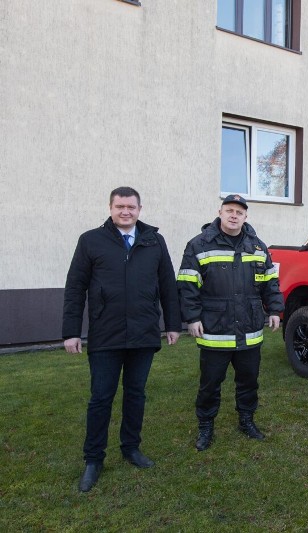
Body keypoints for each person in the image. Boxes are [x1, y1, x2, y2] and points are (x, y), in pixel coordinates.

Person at [62, 186, 181, 493]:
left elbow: (168, 284)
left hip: (142, 333)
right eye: (119, 206)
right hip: (106, 334)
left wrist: (172, 324)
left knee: (135, 394)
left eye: (131, 206)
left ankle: (131, 448)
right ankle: (93, 459)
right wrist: (71, 330)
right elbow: (75, 287)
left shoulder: (155, 240)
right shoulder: (91, 240)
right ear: (110, 208)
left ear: (140, 209)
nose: (125, 211)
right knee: (101, 397)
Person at [177, 194, 285, 452]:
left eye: (239, 211)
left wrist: (275, 310)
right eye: (229, 210)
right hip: (215, 329)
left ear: (245, 217)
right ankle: (205, 426)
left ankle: (246, 420)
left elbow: (270, 282)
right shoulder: (199, 245)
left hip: (249, 329)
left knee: (249, 381)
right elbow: (187, 285)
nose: (234, 215)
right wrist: (192, 317)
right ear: (220, 212)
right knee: (210, 383)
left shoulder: (258, 246)